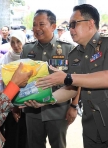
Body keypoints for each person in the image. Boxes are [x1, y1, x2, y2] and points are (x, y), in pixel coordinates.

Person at [36, 4, 108, 148]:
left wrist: (67, 77)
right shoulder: (74, 54)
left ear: (90, 23)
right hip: (91, 125)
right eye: (69, 26)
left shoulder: (106, 45)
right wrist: (44, 101)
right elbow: (73, 88)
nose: (71, 29)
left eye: (74, 24)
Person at [21, 9, 76, 148]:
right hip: (32, 110)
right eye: (34, 25)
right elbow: (20, 80)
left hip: (58, 111)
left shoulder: (68, 49)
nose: (37, 28)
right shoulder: (27, 49)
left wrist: (74, 106)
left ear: (53, 26)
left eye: (41, 24)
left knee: (59, 145)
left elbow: (77, 81)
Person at [1, 30, 27, 148]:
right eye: (12, 42)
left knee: (25, 136)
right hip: (10, 103)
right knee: (12, 136)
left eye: (18, 41)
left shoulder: (28, 56)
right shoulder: (5, 59)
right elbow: (3, 82)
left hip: (28, 103)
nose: (16, 45)